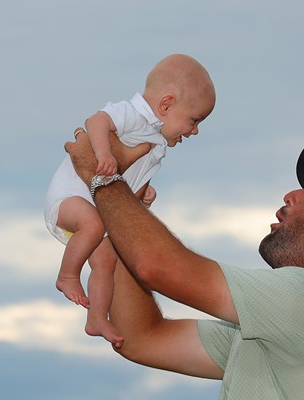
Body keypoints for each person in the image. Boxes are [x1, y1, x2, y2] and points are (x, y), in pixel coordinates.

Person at [65, 132, 304, 400]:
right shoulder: (282, 327)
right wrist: (123, 216)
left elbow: (159, 267)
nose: (290, 195)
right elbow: (142, 338)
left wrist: (103, 178)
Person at [44, 54, 216, 347]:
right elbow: (96, 121)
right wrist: (104, 153)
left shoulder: (157, 146)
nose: (196, 130)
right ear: (166, 104)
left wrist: (141, 196)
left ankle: (97, 318)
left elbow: (127, 188)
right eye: (194, 120)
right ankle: (67, 275)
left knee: (107, 262)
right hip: (69, 198)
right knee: (94, 224)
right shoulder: (132, 115)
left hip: (94, 218)